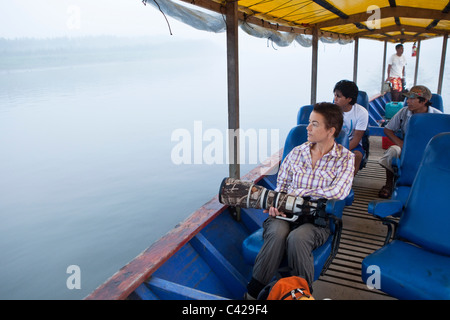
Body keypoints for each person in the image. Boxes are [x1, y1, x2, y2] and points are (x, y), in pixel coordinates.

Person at [245, 102, 355, 299]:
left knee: (298, 238)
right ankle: (252, 294)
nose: (307, 127)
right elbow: (282, 185)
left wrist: (299, 195)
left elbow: (340, 190)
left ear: (330, 130)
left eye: (314, 124)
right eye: (309, 122)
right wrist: (276, 204)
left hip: (316, 219)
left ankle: (302, 295)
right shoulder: (297, 152)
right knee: (278, 232)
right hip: (285, 212)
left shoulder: (345, 158)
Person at [378, 85, 442, 198]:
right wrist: (401, 144)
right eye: (408, 98)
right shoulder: (404, 112)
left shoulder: (438, 116)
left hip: (429, 150)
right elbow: (388, 130)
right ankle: (389, 184)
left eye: (412, 99)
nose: (408, 101)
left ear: (424, 101)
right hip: (406, 147)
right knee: (392, 151)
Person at [333, 80, 369, 175]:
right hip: (333, 142)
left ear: (349, 99)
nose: (335, 99)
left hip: (352, 143)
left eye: (338, 96)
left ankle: (348, 182)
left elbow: (356, 139)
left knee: (356, 156)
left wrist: (340, 150)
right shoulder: (331, 111)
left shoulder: (361, 113)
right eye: (335, 95)